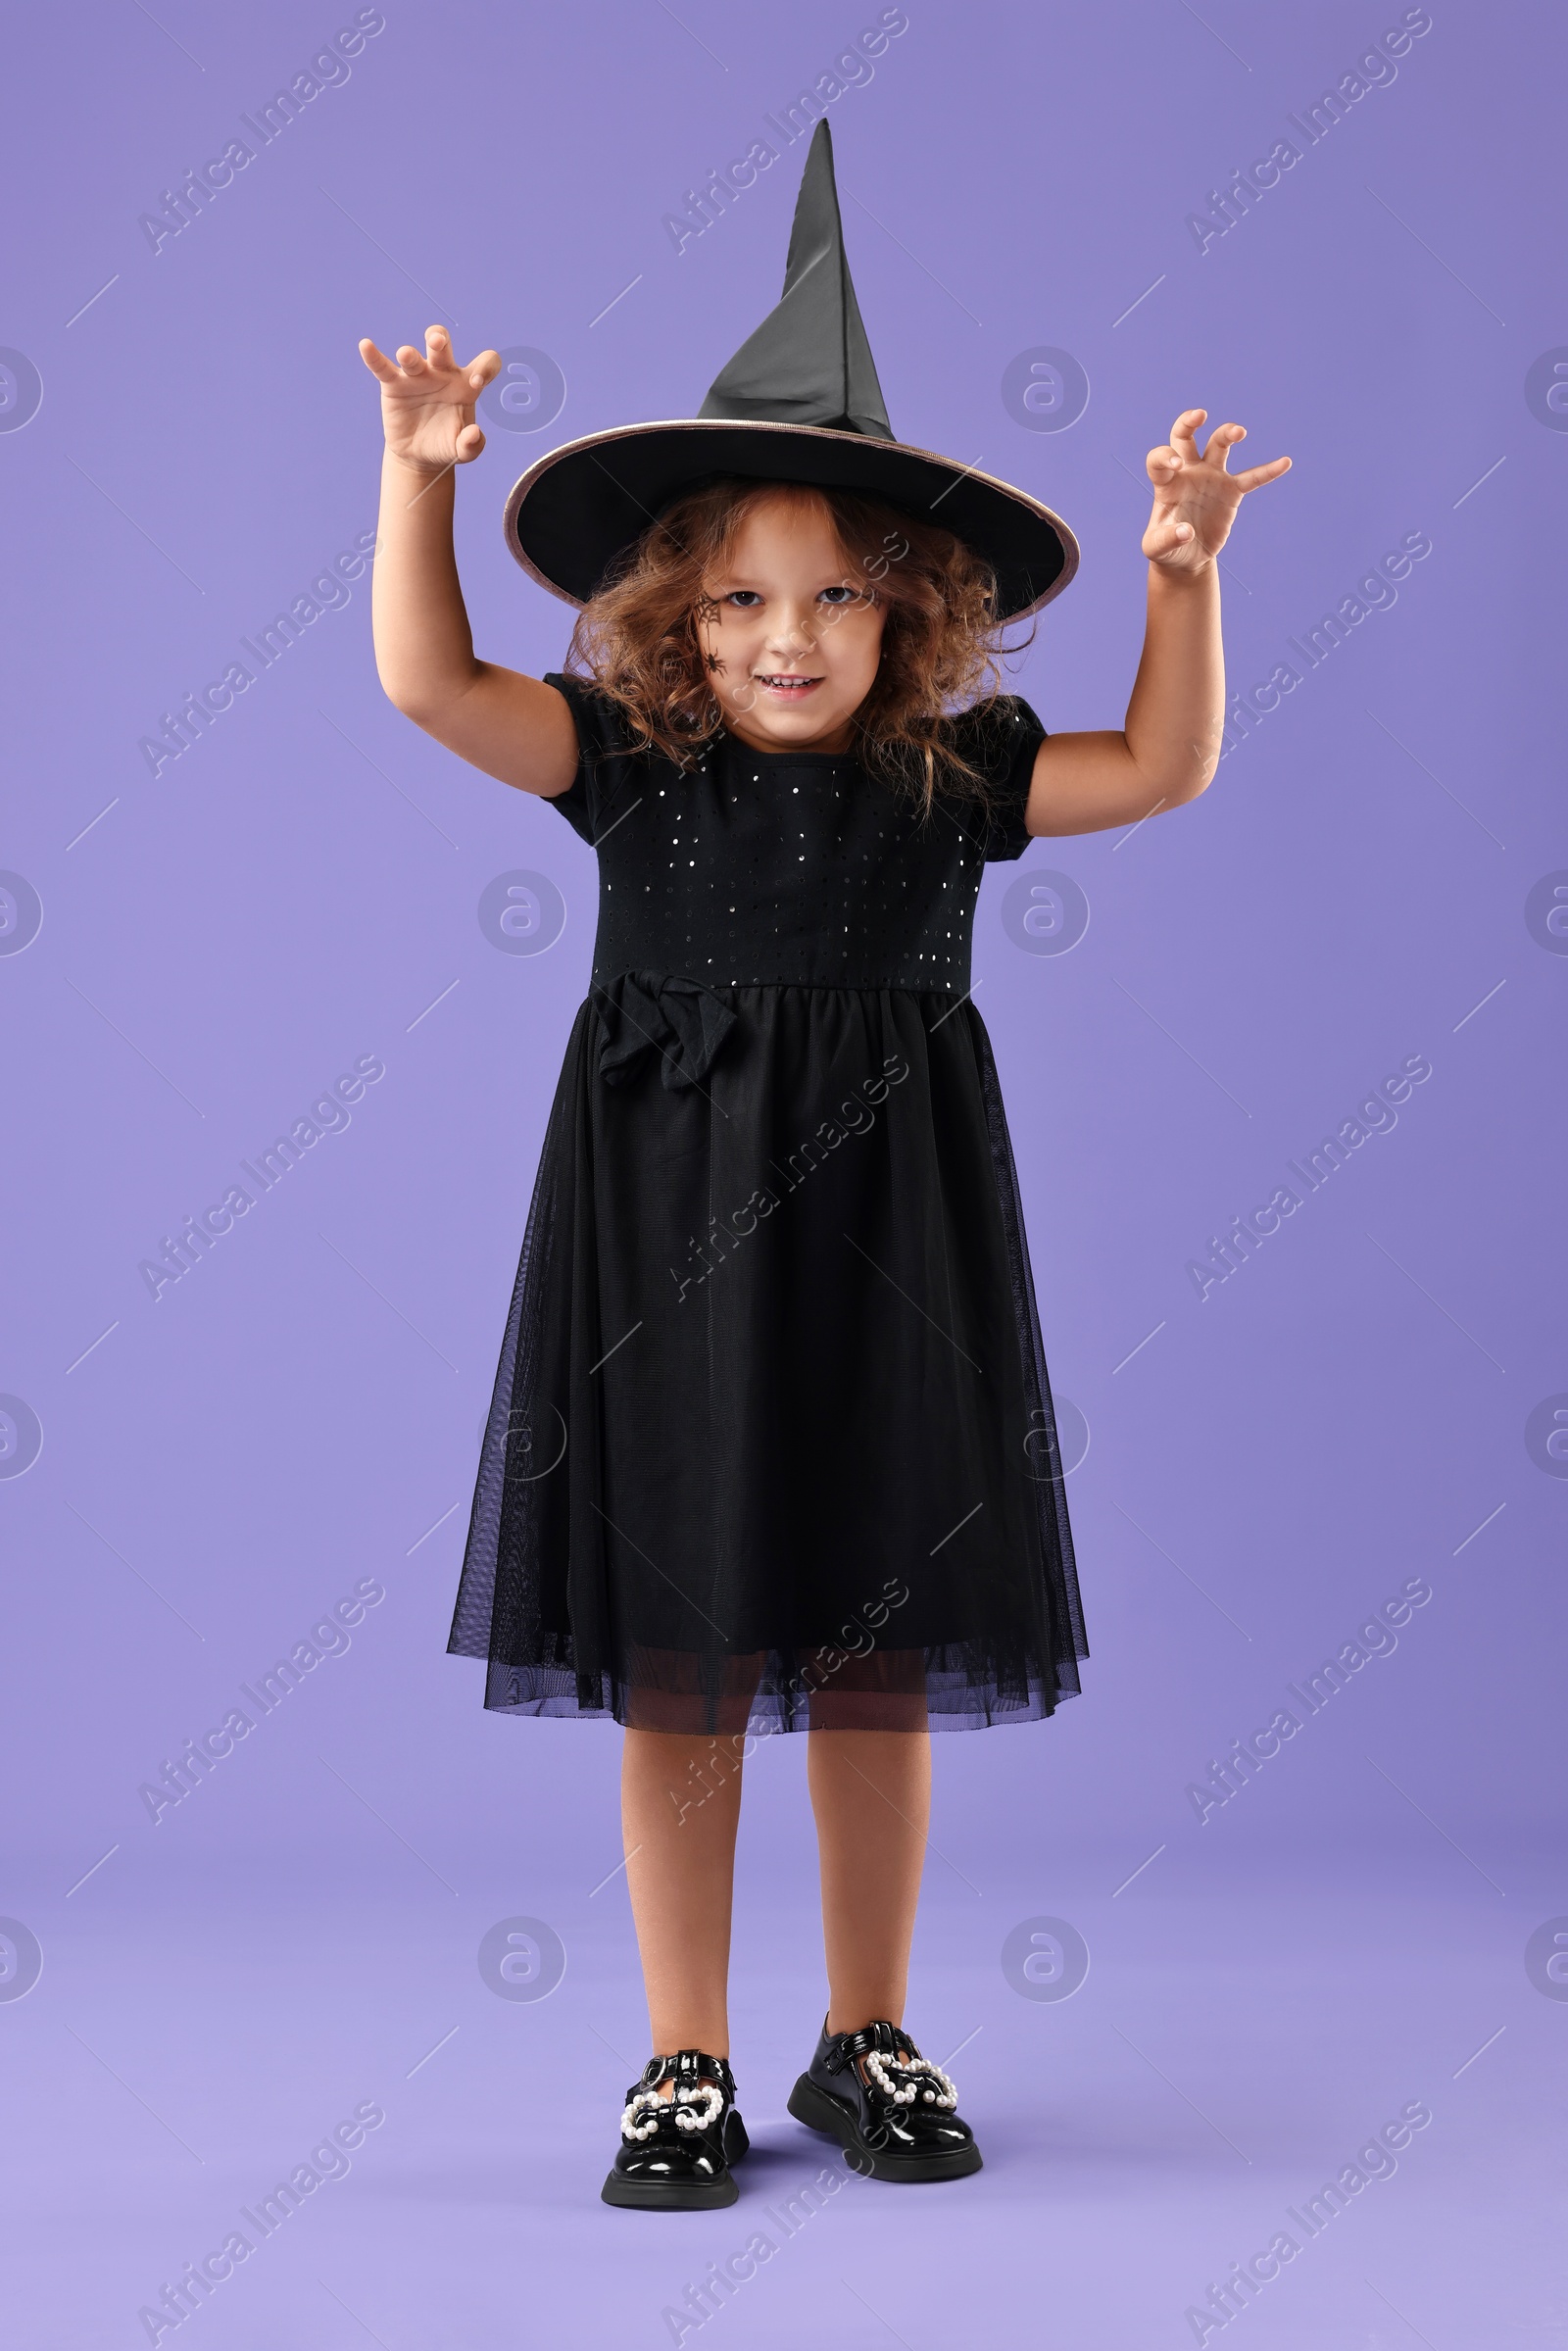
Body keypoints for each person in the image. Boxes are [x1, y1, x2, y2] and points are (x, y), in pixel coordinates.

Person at [359, 123, 1289, 2210]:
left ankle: (862, 2031)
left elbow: (1163, 765)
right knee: (682, 1658)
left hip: (898, 1246)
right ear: (679, 617)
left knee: (876, 1654)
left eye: (841, 598)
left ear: (914, 614)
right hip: (663, 1252)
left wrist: (1179, 580)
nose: (792, 635)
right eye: (748, 598)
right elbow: (426, 681)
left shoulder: (946, 783)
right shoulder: (632, 771)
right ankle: (678, 2057)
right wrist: (420, 476)